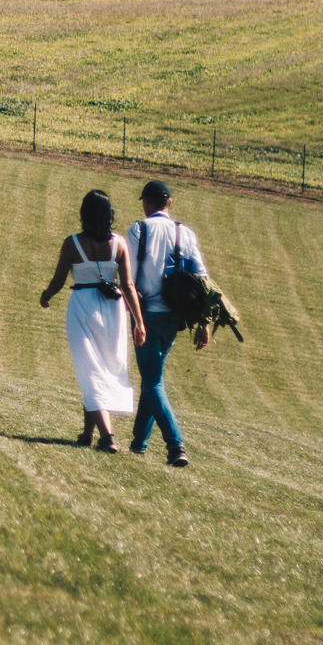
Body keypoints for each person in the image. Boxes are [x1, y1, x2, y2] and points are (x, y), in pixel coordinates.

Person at [40, 189, 146, 452]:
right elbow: (129, 285)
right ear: (109, 215)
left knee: (90, 370)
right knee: (102, 369)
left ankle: (107, 436)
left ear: (83, 214)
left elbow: (59, 279)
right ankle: (87, 434)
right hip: (113, 310)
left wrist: (46, 295)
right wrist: (139, 322)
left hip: (82, 307)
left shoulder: (72, 243)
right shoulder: (120, 243)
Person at [126, 180, 209, 467]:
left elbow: (130, 280)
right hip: (175, 317)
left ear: (146, 203)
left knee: (152, 381)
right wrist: (204, 322)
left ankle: (176, 445)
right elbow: (201, 280)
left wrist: (136, 319)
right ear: (169, 203)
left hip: (147, 314)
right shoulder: (184, 233)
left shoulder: (139, 229)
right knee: (153, 379)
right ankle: (138, 443)